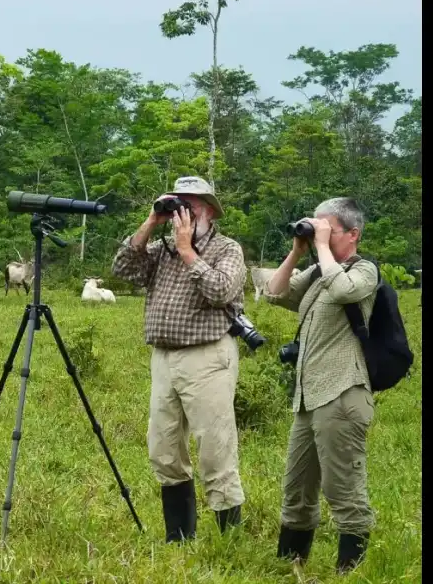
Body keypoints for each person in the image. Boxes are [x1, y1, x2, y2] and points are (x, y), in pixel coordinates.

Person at [112, 175, 247, 543]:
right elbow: (122, 270)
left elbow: (220, 290)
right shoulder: (162, 249)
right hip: (164, 358)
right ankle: (179, 537)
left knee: (215, 448)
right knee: (164, 447)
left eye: (187, 205)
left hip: (207, 356)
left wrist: (189, 251)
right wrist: (152, 221)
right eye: (177, 205)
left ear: (205, 210)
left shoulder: (227, 249)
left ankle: (228, 540)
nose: (180, 213)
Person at [261, 197, 377, 574]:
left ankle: (350, 571)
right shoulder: (315, 274)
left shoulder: (364, 272)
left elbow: (343, 291)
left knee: (343, 489)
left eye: (328, 228)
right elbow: (274, 293)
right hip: (308, 398)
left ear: (353, 234)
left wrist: (324, 247)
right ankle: (289, 565)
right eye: (317, 227)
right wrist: (299, 250)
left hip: (343, 393)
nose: (319, 235)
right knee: (296, 488)